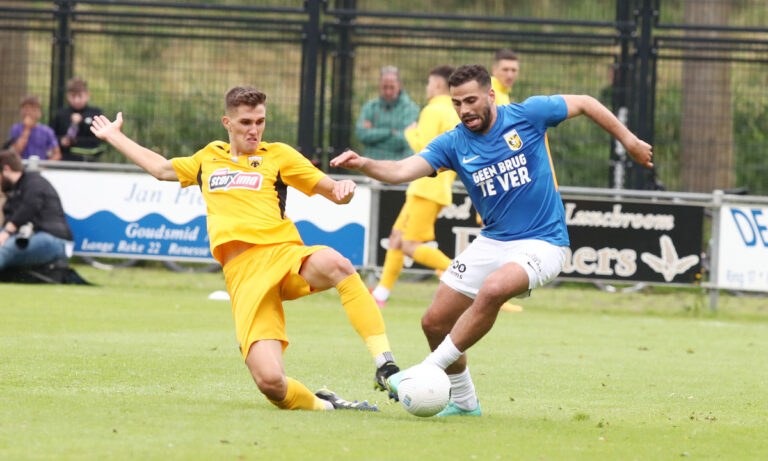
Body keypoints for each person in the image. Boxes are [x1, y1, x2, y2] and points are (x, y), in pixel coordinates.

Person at [330, 64, 653, 416]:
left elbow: (587, 102)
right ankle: (465, 403)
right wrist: (365, 163)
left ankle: (426, 369)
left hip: (544, 241)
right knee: (434, 322)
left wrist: (630, 141)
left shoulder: (528, 115)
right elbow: (402, 170)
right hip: (493, 240)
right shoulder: (453, 143)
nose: (464, 109)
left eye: (471, 100)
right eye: (457, 103)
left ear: (490, 95)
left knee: (495, 288)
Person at [90, 86, 400, 412]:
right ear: (228, 122)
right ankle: (327, 406)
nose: (254, 130)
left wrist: (343, 188)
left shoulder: (278, 155)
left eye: (260, 122)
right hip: (243, 278)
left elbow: (332, 190)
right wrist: (114, 136)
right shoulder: (208, 158)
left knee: (338, 264)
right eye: (246, 122)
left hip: (283, 255)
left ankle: (385, 364)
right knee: (272, 384)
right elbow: (162, 169)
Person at [370, 65, 459, 308]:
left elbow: (426, 151)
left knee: (409, 245)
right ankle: (381, 294)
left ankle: (462, 274)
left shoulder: (433, 110)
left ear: (438, 84)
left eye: (429, 83)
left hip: (427, 187)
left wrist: (410, 133)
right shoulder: (453, 110)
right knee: (396, 238)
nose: (427, 88)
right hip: (434, 187)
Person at [0, 149, 73, 271]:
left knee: (6, 248)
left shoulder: (34, 182)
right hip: (31, 236)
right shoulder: (16, 189)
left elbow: (29, 207)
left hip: (55, 240)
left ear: (6, 169)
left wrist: (6, 232)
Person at [355, 66, 419, 160]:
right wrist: (390, 132)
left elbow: (405, 141)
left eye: (392, 87)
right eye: (385, 87)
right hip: (372, 163)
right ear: (379, 85)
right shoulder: (370, 107)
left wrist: (374, 138)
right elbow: (362, 135)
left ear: (399, 85)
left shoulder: (411, 109)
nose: (388, 92)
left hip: (399, 164)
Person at [51, 77, 107, 162]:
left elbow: (99, 140)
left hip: (89, 160)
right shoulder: (61, 114)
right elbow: (51, 136)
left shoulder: (95, 114)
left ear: (87, 95)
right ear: (68, 96)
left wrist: (82, 122)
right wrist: (61, 141)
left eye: (80, 96)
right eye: (73, 96)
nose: (76, 100)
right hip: (65, 160)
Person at [8, 96, 61, 161]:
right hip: (21, 165)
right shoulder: (15, 129)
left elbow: (57, 154)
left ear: (39, 113)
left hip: (41, 165)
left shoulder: (47, 131)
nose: (29, 113)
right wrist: (27, 129)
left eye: (33, 110)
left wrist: (46, 165)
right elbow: (15, 152)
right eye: (26, 109)